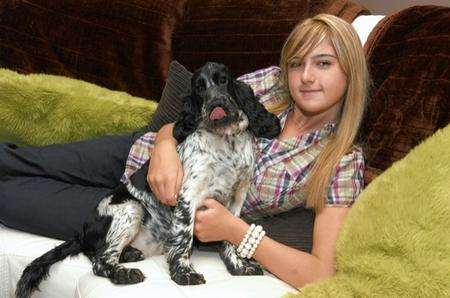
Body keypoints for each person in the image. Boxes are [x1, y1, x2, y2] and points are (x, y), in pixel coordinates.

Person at [0, 14, 368, 288]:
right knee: (17, 159)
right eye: (296, 63)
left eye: (323, 63)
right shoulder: (271, 84)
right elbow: (187, 115)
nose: (305, 76)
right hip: (136, 153)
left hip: (149, 217)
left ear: (350, 72)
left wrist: (236, 232)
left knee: (10, 196)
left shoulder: (341, 162)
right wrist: (163, 145)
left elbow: (322, 273)